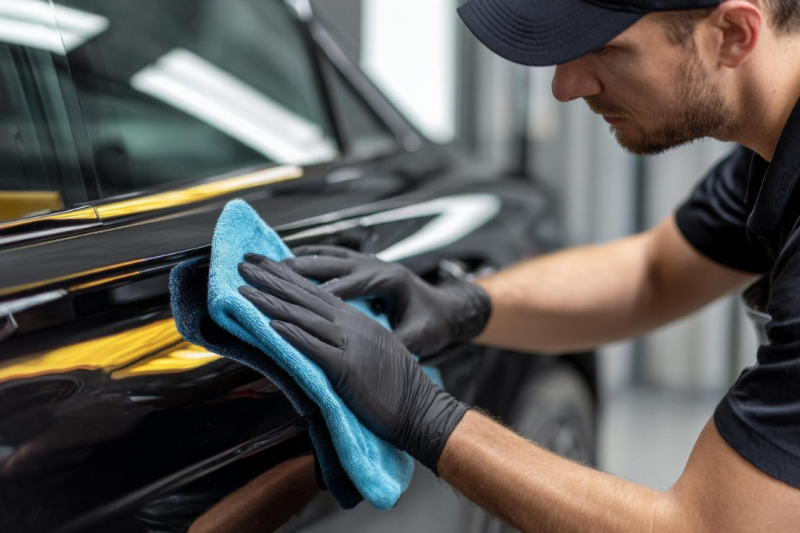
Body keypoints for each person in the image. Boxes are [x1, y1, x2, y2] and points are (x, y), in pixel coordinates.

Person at [237, 0, 800, 530]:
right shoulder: (770, 140)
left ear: (733, 34)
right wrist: (463, 307)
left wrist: (421, 414)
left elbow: (703, 525)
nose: (564, 86)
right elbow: (655, 272)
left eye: (604, 48)